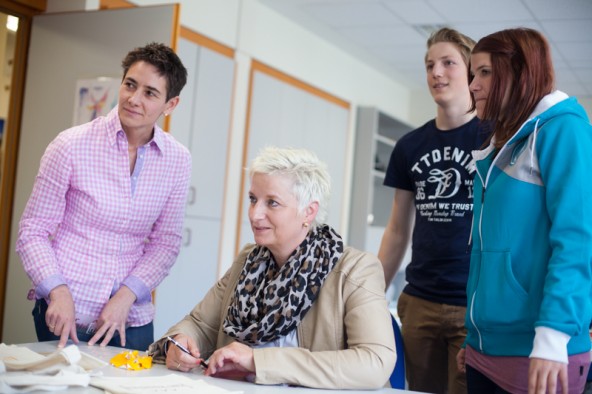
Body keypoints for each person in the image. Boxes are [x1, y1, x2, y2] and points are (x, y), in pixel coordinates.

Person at [147, 146, 396, 389]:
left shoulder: (356, 270)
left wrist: (258, 362)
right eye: (253, 199)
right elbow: (199, 324)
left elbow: (375, 362)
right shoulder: (247, 260)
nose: (255, 214)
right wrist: (179, 343)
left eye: (272, 203)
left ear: (308, 212)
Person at [16, 42, 192, 351]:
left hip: (130, 317)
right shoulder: (70, 145)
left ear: (170, 104)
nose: (133, 99)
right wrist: (58, 291)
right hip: (67, 311)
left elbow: (166, 242)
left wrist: (125, 297)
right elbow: (33, 231)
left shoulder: (178, 160)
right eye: (130, 85)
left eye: (150, 93)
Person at [456, 27, 592, 394]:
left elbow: (578, 243)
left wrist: (552, 337)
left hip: (540, 352)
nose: (472, 85)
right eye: (473, 74)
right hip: (485, 350)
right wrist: (477, 333)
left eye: (484, 72)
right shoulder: (499, 147)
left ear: (518, 72)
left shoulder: (563, 129)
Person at [377, 27, 488, 394]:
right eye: (429, 65)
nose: (436, 73)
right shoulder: (409, 146)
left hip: (472, 303)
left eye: (447, 63)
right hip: (420, 300)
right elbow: (397, 230)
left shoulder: (494, 139)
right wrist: (372, 293)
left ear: (471, 71)